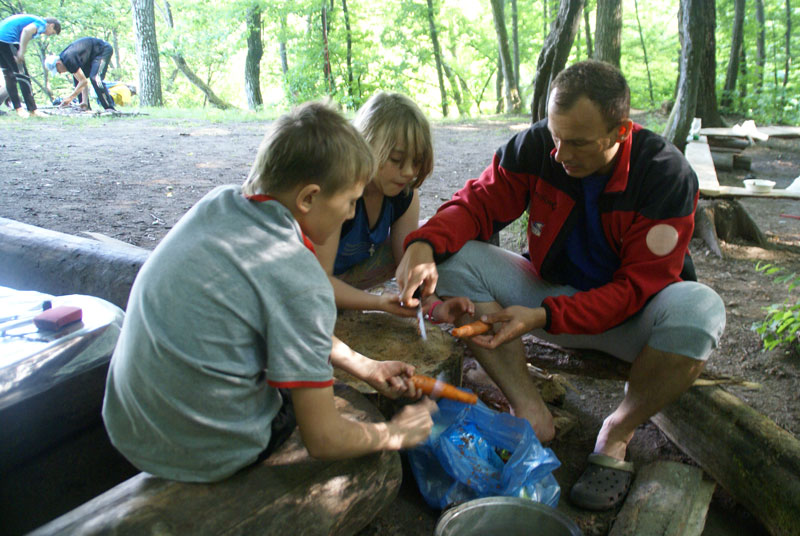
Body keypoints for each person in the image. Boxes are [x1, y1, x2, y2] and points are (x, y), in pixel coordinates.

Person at [394, 60, 726, 511]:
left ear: (620, 132)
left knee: (701, 309)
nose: (560, 154)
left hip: (631, 321)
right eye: (555, 135)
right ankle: (531, 413)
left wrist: (545, 316)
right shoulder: (537, 148)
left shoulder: (664, 174)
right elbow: (476, 204)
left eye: (578, 142)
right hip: (549, 296)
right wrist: (423, 245)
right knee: (455, 258)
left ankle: (617, 433)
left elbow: (636, 290)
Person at [102, 101, 437, 483]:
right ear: (309, 198)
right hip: (205, 451)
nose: (349, 215)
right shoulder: (301, 279)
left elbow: (288, 318)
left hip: (129, 425)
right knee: (316, 402)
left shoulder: (217, 205)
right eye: (348, 202)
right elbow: (324, 439)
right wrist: (396, 434)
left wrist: (366, 365)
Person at [314, 91, 472, 323]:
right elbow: (316, 281)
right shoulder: (340, 190)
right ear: (365, 144)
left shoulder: (404, 193)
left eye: (416, 162)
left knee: (423, 239)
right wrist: (377, 303)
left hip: (349, 278)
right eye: (396, 160)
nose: (408, 172)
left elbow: (410, 269)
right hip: (309, 284)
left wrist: (434, 307)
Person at [0, 14, 60, 117]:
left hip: (1, 40)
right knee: (23, 76)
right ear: (51, 25)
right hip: (8, 40)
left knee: (9, 76)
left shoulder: (34, 20)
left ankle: (19, 109)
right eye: (52, 33)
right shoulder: (41, 23)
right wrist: (21, 52)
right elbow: (27, 31)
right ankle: (33, 110)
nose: (49, 35)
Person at [45, 37, 116, 111]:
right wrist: (84, 101)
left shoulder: (69, 59)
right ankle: (84, 105)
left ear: (58, 63)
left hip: (102, 50)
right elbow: (82, 81)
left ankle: (109, 107)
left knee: (95, 78)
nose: (59, 73)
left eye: (58, 70)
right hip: (92, 56)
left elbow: (83, 81)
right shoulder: (66, 60)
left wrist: (70, 98)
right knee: (77, 79)